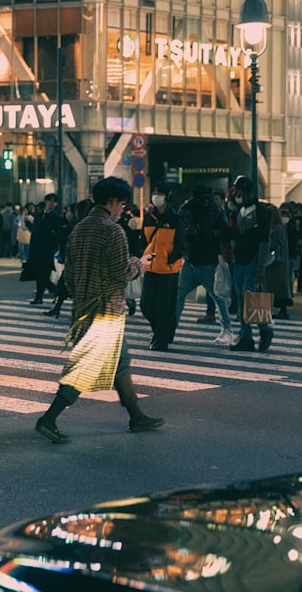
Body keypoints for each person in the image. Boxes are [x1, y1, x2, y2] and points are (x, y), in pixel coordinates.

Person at [34, 176, 163, 444]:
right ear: (113, 201)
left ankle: (137, 416)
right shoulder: (112, 230)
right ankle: (49, 419)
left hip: (84, 308)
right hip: (106, 312)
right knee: (84, 369)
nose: (122, 210)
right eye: (122, 205)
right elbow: (122, 271)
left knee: (121, 361)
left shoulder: (79, 228)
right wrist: (141, 264)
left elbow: (68, 276)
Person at [175, 184, 232, 342]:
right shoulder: (190, 209)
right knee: (215, 296)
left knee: (216, 296)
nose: (205, 201)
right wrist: (187, 233)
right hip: (193, 260)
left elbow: (225, 232)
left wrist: (216, 235)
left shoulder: (211, 210)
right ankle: (170, 328)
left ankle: (227, 328)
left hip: (205, 261)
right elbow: (179, 231)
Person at [227, 176, 275, 352]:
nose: (236, 194)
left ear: (246, 191)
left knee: (250, 298)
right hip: (239, 261)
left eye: (238, 191)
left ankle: (264, 329)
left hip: (253, 262)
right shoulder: (239, 210)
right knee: (241, 299)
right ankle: (246, 335)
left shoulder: (261, 211)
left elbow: (264, 240)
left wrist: (261, 265)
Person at [141, 182, 185, 351]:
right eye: (154, 192)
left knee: (164, 307)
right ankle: (162, 332)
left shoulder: (175, 218)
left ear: (167, 197)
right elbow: (144, 241)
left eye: (160, 193)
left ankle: (161, 339)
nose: (156, 196)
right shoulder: (148, 217)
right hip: (151, 268)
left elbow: (181, 244)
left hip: (168, 270)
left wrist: (169, 259)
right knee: (146, 305)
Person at [27, 193, 63, 304]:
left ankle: (41, 296)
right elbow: (34, 230)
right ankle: (55, 291)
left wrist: (55, 248)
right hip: (37, 248)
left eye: (53, 201)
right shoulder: (39, 215)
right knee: (40, 273)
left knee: (44, 273)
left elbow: (58, 234)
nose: (51, 203)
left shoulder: (56, 217)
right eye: (49, 201)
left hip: (48, 250)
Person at [264, 205, 293, 318]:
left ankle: (282, 308)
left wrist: (269, 246)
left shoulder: (277, 228)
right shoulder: (276, 227)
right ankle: (280, 308)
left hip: (277, 262)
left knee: (279, 285)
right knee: (275, 285)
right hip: (275, 262)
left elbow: (277, 243)